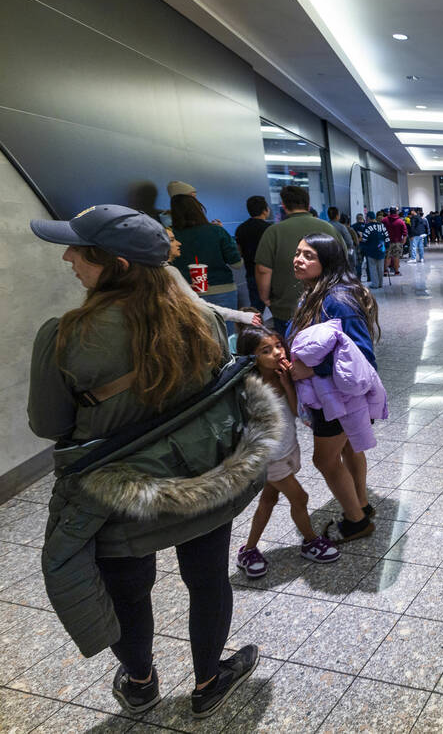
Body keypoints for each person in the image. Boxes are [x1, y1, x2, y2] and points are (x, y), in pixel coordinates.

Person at [27, 205, 270, 719]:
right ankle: (209, 680)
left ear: (114, 263)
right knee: (207, 581)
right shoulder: (201, 318)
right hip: (200, 483)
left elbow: (49, 425)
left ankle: (140, 681)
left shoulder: (63, 336)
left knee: (129, 593)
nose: (68, 257)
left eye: (78, 250)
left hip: (118, 496)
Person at [287, 233, 382, 543]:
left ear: (327, 262)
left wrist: (314, 368)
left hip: (338, 397)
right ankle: (362, 506)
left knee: (324, 460)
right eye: (298, 252)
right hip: (338, 397)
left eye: (309, 256)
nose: (298, 259)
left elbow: (363, 357)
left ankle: (356, 521)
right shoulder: (316, 292)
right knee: (349, 447)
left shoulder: (336, 299)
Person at [234, 324, 340, 576]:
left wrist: (288, 384)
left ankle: (248, 550)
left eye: (279, 345)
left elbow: (295, 412)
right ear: (252, 357)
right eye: (266, 350)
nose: (278, 353)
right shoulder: (249, 388)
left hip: (287, 449)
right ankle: (311, 541)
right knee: (300, 498)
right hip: (269, 458)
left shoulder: (282, 378)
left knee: (268, 500)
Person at [254, 185, 340, 336]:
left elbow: (263, 270)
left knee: (292, 352)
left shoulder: (273, 232)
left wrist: (265, 298)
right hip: (326, 305)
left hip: (286, 308)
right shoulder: (328, 228)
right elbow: (343, 263)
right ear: (308, 205)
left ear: (284, 206)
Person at [168, 195, 245, 324]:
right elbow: (237, 263)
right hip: (222, 291)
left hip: (186, 294)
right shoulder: (216, 231)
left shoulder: (170, 235)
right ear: (199, 210)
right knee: (227, 336)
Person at [235, 196, 272, 312]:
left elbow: (239, 252)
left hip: (251, 274)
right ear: (265, 210)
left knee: (256, 309)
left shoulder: (241, 229)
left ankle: (256, 329)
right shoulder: (270, 229)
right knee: (277, 310)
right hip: (271, 275)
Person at [360, 212, 390, 289]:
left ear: (369, 218)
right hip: (381, 249)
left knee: (373, 267)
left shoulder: (367, 227)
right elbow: (387, 238)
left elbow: (364, 239)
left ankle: (375, 283)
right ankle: (380, 283)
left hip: (371, 250)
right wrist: (387, 247)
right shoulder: (382, 226)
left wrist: (363, 246)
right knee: (380, 267)